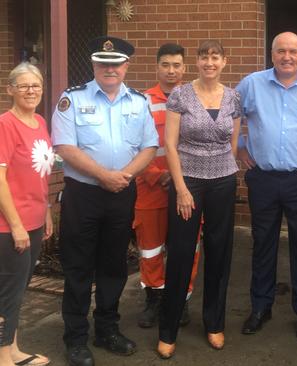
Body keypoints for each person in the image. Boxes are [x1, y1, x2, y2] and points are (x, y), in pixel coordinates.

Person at [51, 36, 158, 366]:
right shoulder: (71, 99)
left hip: (121, 193)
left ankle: (107, 329)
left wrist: (122, 176)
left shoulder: (139, 102)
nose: (109, 68)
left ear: (126, 66)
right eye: (103, 63)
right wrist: (104, 175)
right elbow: (65, 148)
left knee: (113, 266)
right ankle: (76, 337)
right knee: (79, 267)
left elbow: (149, 147)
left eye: (116, 63)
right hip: (83, 196)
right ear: (94, 65)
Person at [236, 31, 297, 341]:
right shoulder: (251, 84)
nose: (287, 57)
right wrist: (239, 145)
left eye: (293, 51)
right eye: (281, 51)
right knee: (262, 243)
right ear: (272, 53)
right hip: (262, 178)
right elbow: (229, 115)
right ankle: (260, 307)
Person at [156, 39, 241, 358]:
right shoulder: (180, 94)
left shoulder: (233, 97)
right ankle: (168, 329)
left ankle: (214, 323)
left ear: (224, 61)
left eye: (215, 57)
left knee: (220, 253)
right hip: (188, 182)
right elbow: (170, 144)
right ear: (197, 62)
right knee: (180, 254)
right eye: (204, 57)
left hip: (222, 181)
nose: (209, 62)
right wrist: (180, 188)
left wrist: (225, 171)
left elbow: (232, 142)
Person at [135, 43, 200, 329]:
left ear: (184, 68)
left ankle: (181, 300)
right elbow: (132, 142)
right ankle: (154, 299)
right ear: (157, 66)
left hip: (189, 188)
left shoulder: (196, 98)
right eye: (166, 65)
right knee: (151, 247)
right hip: (151, 189)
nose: (171, 71)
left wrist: (181, 179)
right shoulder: (141, 102)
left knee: (187, 247)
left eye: (177, 65)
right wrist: (155, 175)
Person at [0, 63, 53, 366]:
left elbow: (39, 175)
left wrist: (45, 211)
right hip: (10, 226)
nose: (31, 91)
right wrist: (17, 225)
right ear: (10, 89)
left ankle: (14, 348)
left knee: (18, 290)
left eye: (36, 85)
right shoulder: (6, 124)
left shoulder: (40, 122)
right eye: (23, 85)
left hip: (33, 219)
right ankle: (3, 355)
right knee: (7, 292)